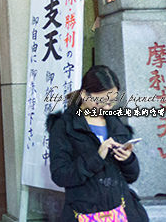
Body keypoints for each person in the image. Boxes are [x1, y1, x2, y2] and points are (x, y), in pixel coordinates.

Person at [47, 65, 148, 222]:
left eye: (112, 101)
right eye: (102, 101)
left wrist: (127, 159)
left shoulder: (115, 123)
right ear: (85, 95)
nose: (107, 107)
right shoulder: (64, 126)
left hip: (122, 212)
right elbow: (60, 176)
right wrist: (96, 157)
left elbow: (132, 176)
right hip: (84, 213)